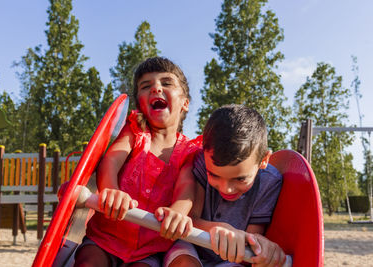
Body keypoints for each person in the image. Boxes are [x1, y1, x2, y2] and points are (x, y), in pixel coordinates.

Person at [74, 57, 199, 267]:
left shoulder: (189, 150)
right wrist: (111, 190)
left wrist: (177, 213)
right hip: (105, 238)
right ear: (140, 103)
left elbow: (187, 187)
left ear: (185, 103)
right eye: (146, 86)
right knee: (88, 262)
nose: (156, 88)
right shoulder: (135, 132)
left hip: (150, 248)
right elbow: (111, 160)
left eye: (166, 83)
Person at [164, 104, 286, 267]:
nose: (226, 188)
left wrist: (263, 246)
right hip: (190, 243)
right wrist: (218, 228)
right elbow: (190, 219)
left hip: (231, 257)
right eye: (214, 175)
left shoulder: (269, 182)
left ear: (263, 160)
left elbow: (251, 239)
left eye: (240, 179)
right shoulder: (200, 161)